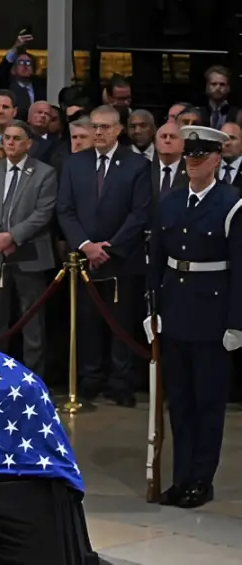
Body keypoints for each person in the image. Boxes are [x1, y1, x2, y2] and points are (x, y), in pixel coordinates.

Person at [147, 126, 242, 508]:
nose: (191, 163)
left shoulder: (232, 204)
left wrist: (236, 321)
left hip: (212, 315)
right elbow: (156, 261)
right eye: (189, 156)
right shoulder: (169, 202)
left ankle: (202, 479)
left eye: (199, 157)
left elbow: (239, 268)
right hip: (175, 312)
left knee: (208, 404)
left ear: (217, 160)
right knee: (181, 403)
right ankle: (182, 476)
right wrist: (151, 310)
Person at [57, 105, 151, 407]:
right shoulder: (74, 163)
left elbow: (140, 213)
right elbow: (65, 210)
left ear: (118, 130)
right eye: (95, 127)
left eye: (105, 127)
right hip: (83, 260)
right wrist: (86, 245)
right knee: (86, 321)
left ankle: (120, 381)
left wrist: (108, 248)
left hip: (121, 258)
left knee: (121, 322)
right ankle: (90, 377)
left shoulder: (137, 165)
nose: (99, 132)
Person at [0, 120, 57, 377]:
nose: (10, 142)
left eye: (16, 138)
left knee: (32, 323)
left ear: (28, 143)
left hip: (29, 255)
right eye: (6, 137)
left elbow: (43, 213)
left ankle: (33, 379)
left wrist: (13, 237)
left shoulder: (45, 173)